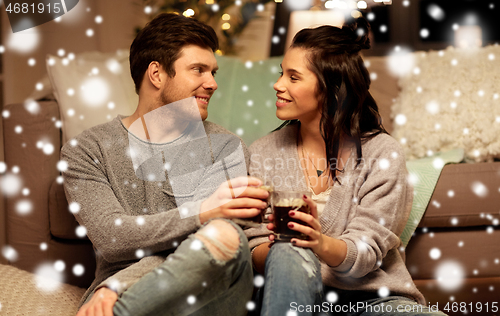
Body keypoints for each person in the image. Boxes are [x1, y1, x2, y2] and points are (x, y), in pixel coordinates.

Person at [62, 13, 269, 316]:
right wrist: (203, 211)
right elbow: (112, 238)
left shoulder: (225, 147)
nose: (211, 83)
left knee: (222, 235)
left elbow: (206, 249)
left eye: (213, 72)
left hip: (206, 292)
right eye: (198, 70)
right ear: (156, 74)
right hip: (123, 296)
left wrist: (119, 284)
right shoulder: (88, 150)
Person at [245, 18, 447, 316]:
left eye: (294, 77)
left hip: (373, 300)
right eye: (281, 74)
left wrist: (319, 242)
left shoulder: (382, 154)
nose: (278, 85)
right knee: (289, 253)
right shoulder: (263, 152)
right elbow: (252, 246)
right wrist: (285, 248)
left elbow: (367, 252)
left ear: (330, 88)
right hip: (291, 296)